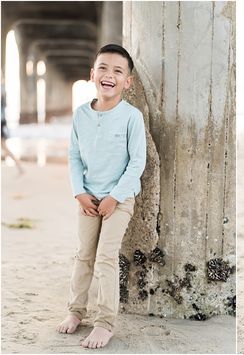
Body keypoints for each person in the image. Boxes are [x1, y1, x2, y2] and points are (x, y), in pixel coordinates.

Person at [56, 44, 146, 349]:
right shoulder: (81, 115)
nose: (109, 75)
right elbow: (73, 157)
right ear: (92, 74)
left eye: (118, 71)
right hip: (89, 198)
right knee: (83, 255)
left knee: (106, 257)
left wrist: (115, 197)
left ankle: (105, 323)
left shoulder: (131, 117)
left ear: (127, 81)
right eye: (103, 68)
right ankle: (75, 311)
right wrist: (78, 192)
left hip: (119, 200)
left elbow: (137, 163)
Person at [1, 80, 24, 175]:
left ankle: (19, 166)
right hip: (2, 121)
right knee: (4, 147)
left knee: (4, 147)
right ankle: (19, 166)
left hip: (0, 121)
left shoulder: (2, 89)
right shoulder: (3, 89)